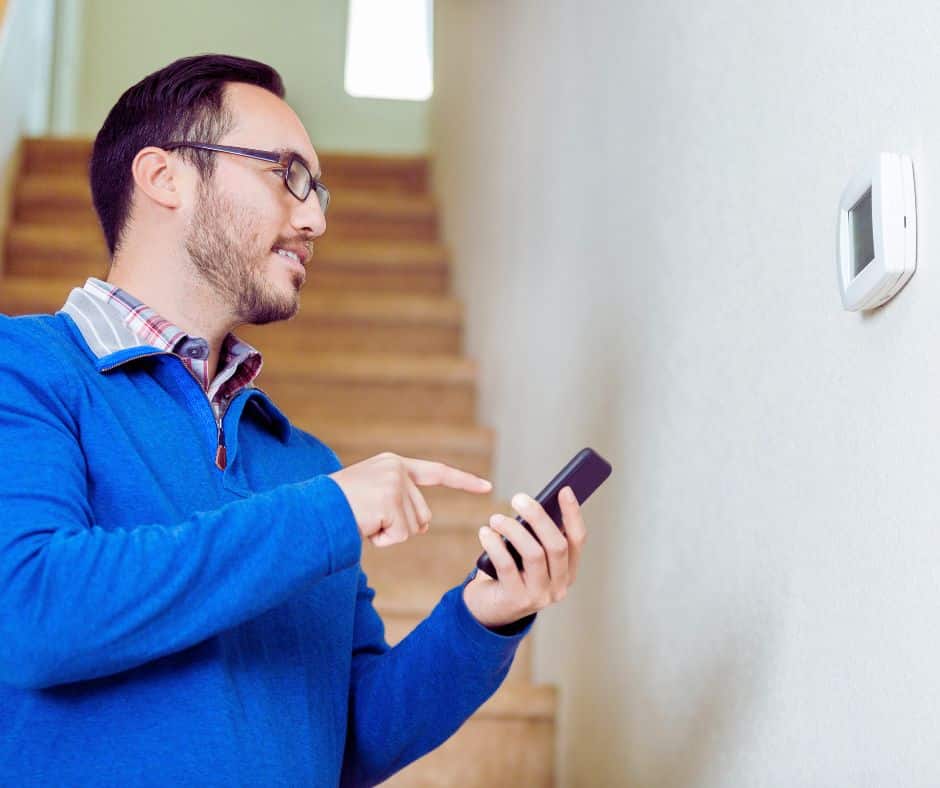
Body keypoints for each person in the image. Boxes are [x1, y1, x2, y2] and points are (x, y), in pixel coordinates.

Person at [0, 54, 588, 786]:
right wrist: (328, 511)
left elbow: (349, 740)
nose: (312, 219)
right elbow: (30, 610)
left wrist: (483, 618)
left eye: (318, 193)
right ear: (163, 177)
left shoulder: (303, 463)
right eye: (287, 175)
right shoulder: (22, 368)